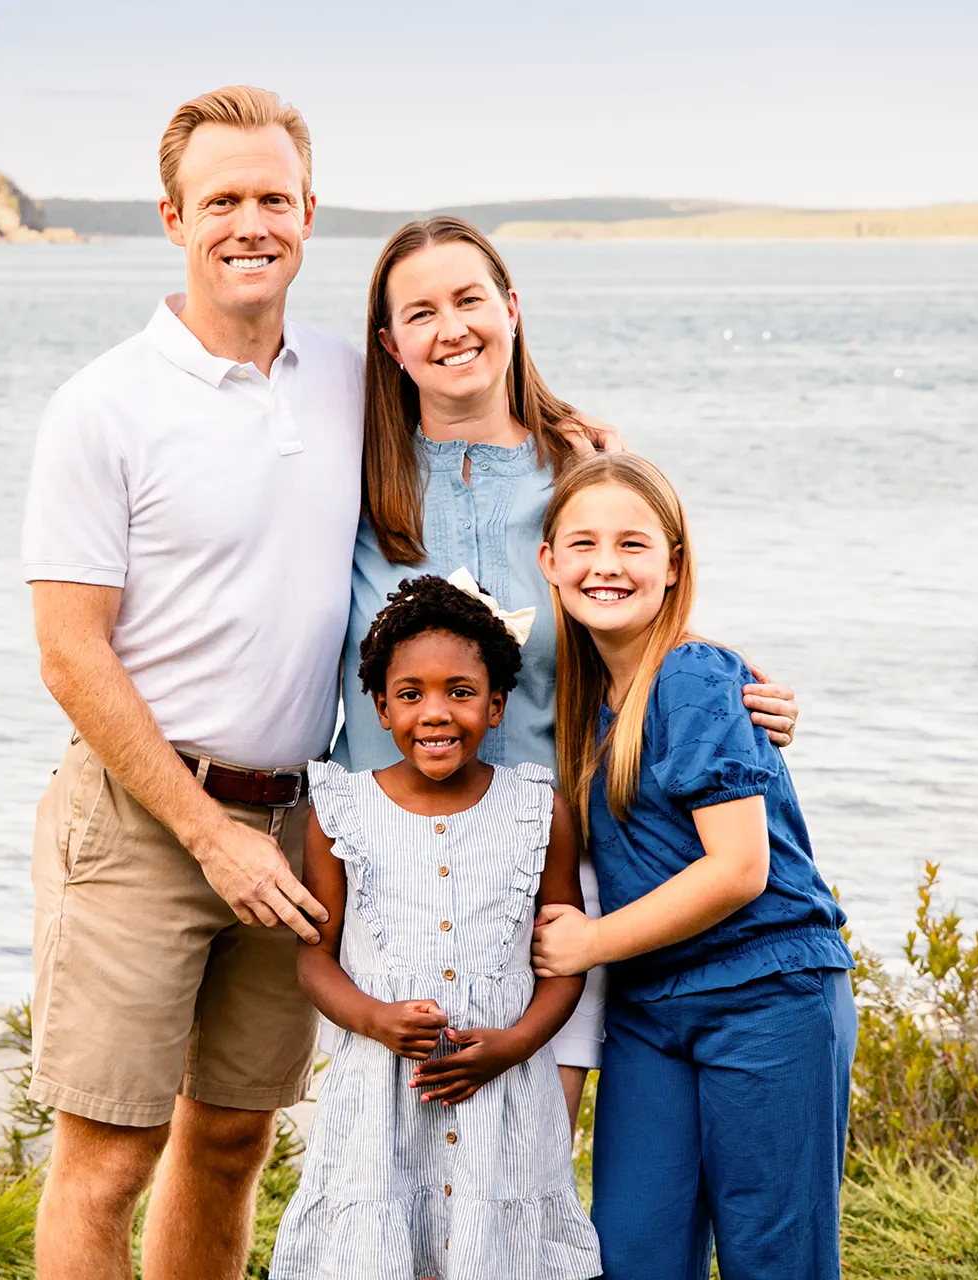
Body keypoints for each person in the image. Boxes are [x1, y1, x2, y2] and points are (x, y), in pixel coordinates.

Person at [334, 217, 802, 1127]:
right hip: (389, 873)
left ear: (511, 309)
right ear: (390, 346)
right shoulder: (349, 484)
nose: (451, 327)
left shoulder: (577, 468)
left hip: (549, 875)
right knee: (390, 1172)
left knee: (527, 1165)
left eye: (470, 299)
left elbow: (624, 601)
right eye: (420, 313)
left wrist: (724, 680)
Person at [19, 86, 359, 1280]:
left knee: (229, 1141)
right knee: (105, 1160)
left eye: (274, 196)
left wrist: (701, 664)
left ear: (310, 212)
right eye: (223, 199)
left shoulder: (354, 381)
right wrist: (207, 833)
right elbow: (70, 652)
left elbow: (502, 451)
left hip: (297, 821)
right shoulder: (103, 408)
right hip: (144, 822)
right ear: (174, 217)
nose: (250, 221)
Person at [529, 453, 857, 1280]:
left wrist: (588, 943)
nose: (607, 565)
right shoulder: (580, 696)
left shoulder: (695, 675)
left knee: (773, 1258)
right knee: (633, 1253)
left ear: (674, 565)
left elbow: (740, 869)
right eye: (585, 544)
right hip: (650, 1011)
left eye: (634, 545)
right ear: (550, 562)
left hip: (767, 996)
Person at [272, 575, 601, 1280]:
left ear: (497, 704)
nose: (436, 712)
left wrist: (512, 1043)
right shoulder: (340, 812)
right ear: (382, 708)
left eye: (460, 691)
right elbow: (315, 960)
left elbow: (564, 961)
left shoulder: (540, 809)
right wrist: (375, 1017)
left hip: (502, 1092)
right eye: (412, 695)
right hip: (380, 1096)